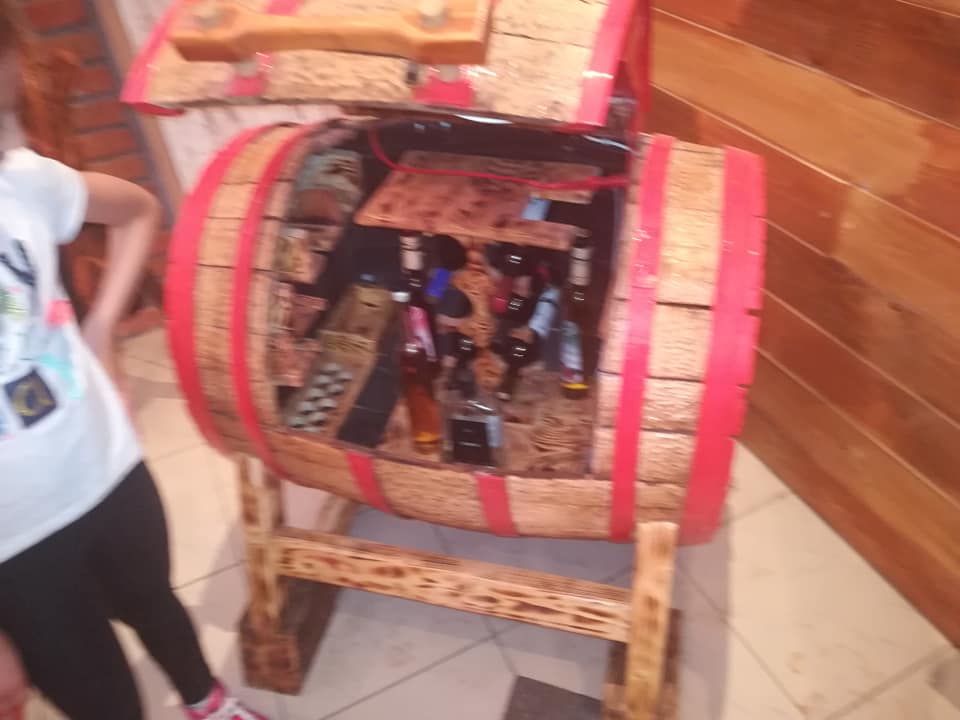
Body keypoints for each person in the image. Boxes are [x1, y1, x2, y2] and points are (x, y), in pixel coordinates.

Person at [0, 7, 271, 720]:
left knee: (153, 600)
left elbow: (139, 211)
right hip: (13, 537)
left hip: (103, 465)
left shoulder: (23, 181)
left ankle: (206, 701)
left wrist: (99, 333)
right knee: (103, 698)